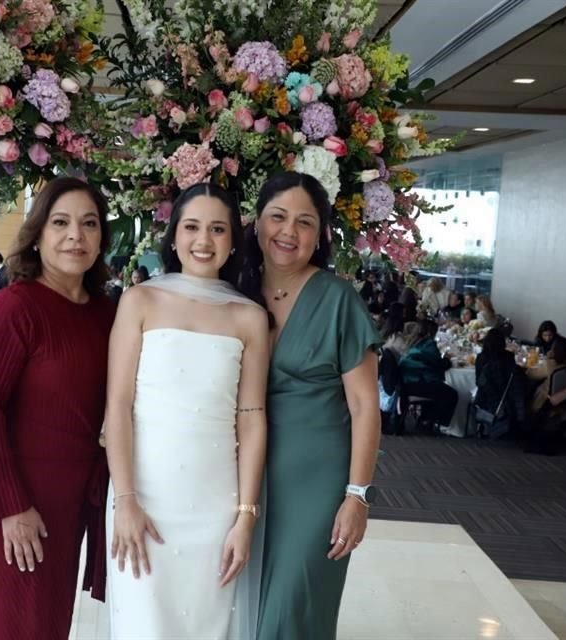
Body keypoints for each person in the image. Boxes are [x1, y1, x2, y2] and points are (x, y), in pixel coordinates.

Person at [105, 183, 268, 639]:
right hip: (144, 500)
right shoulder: (140, 301)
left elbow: (252, 418)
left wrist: (245, 515)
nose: (203, 240)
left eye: (218, 229)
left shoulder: (248, 316)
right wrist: (125, 500)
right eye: (192, 227)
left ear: (233, 240)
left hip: (216, 506)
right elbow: (117, 405)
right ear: (173, 236)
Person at [0, 178, 116, 640]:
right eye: (61, 222)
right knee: (2, 624)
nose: (76, 236)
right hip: (11, 496)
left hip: (66, 500)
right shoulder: (15, 306)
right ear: (39, 233)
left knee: (45, 625)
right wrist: (12, 506)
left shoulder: (106, 314)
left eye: (89, 224)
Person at [240, 172, 381, 639]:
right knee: (242, 607)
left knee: (292, 608)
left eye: (304, 222)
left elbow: (365, 406)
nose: (288, 232)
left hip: (315, 481)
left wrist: (357, 496)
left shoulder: (337, 299)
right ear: (256, 222)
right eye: (278, 217)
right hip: (241, 476)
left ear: (319, 235)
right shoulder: (234, 289)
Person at [399, 320, 458, 431]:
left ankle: (426, 418)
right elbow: (438, 364)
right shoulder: (428, 344)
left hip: (405, 382)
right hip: (418, 382)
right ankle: (436, 423)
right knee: (451, 394)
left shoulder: (411, 342)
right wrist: (448, 361)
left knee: (438, 389)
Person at [474, 329, 524, 427]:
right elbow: (512, 378)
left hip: (486, 395)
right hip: (507, 394)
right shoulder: (509, 356)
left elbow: (478, 381)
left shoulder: (481, 357)